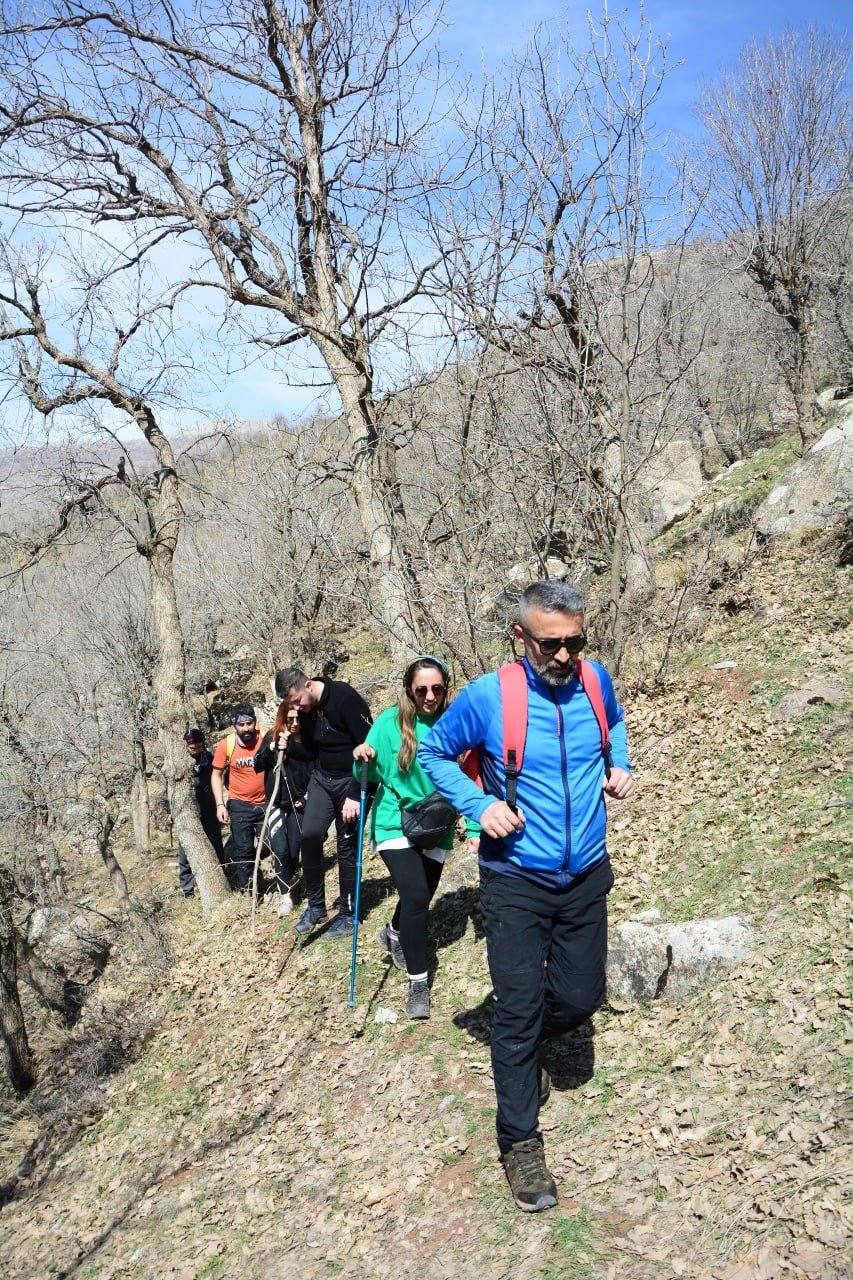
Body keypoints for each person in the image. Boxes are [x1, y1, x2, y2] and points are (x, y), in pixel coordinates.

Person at [419, 581, 634, 1213]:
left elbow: (613, 727)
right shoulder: (489, 697)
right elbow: (433, 750)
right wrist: (478, 803)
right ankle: (520, 1142)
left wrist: (619, 763)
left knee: (580, 994)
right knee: (515, 1017)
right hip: (515, 880)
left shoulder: (594, 681)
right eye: (553, 644)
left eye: (576, 641)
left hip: (587, 871)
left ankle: (531, 1041)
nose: (567, 656)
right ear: (521, 637)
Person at [353, 656, 471, 1019]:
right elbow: (365, 774)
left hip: (438, 822)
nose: (430, 696)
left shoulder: (457, 722)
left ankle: (392, 932)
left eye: (437, 688)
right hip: (394, 820)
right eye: (422, 689)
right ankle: (419, 984)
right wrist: (362, 757)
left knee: (419, 895)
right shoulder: (390, 723)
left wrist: (478, 826)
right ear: (409, 690)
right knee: (417, 896)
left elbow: (472, 778)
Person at [275, 666, 373, 939]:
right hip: (322, 779)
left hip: (351, 781)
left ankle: (348, 914)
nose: (296, 708)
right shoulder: (306, 712)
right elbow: (310, 750)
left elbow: (370, 746)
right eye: (289, 705)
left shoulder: (343, 697)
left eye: (296, 701)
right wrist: (289, 748)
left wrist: (356, 792)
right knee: (309, 836)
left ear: (308, 685)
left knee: (346, 846)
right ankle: (316, 907)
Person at [254, 702, 314, 916]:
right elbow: (257, 765)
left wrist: (306, 798)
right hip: (276, 804)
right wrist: (269, 751)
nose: (295, 724)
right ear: (282, 719)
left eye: (298, 719)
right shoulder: (272, 737)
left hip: (298, 804)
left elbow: (316, 772)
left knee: (293, 848)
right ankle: (285, 896)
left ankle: (292, 875)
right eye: (290, 720)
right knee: (280, 850)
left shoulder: (308, 740)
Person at [211, 707, 267, 891]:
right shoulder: (226, 745)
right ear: (234, 726)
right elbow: (216, 775)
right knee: (243, 851)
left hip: (266, 802)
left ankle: (263, 868)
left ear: (255, 722)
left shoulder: (266, 738)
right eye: (241, 725)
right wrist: (220, 804)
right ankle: (249, 890)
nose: (246, 728)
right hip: (239, 804)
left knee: (273, 843)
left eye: (249, 723)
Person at [174, 728, 225, 897]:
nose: (194, 747)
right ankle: (187, 891)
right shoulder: (178, 763)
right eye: (191, 745)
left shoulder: (210, 759)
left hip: (209, 810)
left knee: (217, 847)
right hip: (187, 814)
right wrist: (171, 811)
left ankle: (222, 878)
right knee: (185, 854)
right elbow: (171, 790)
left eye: (197, 744)